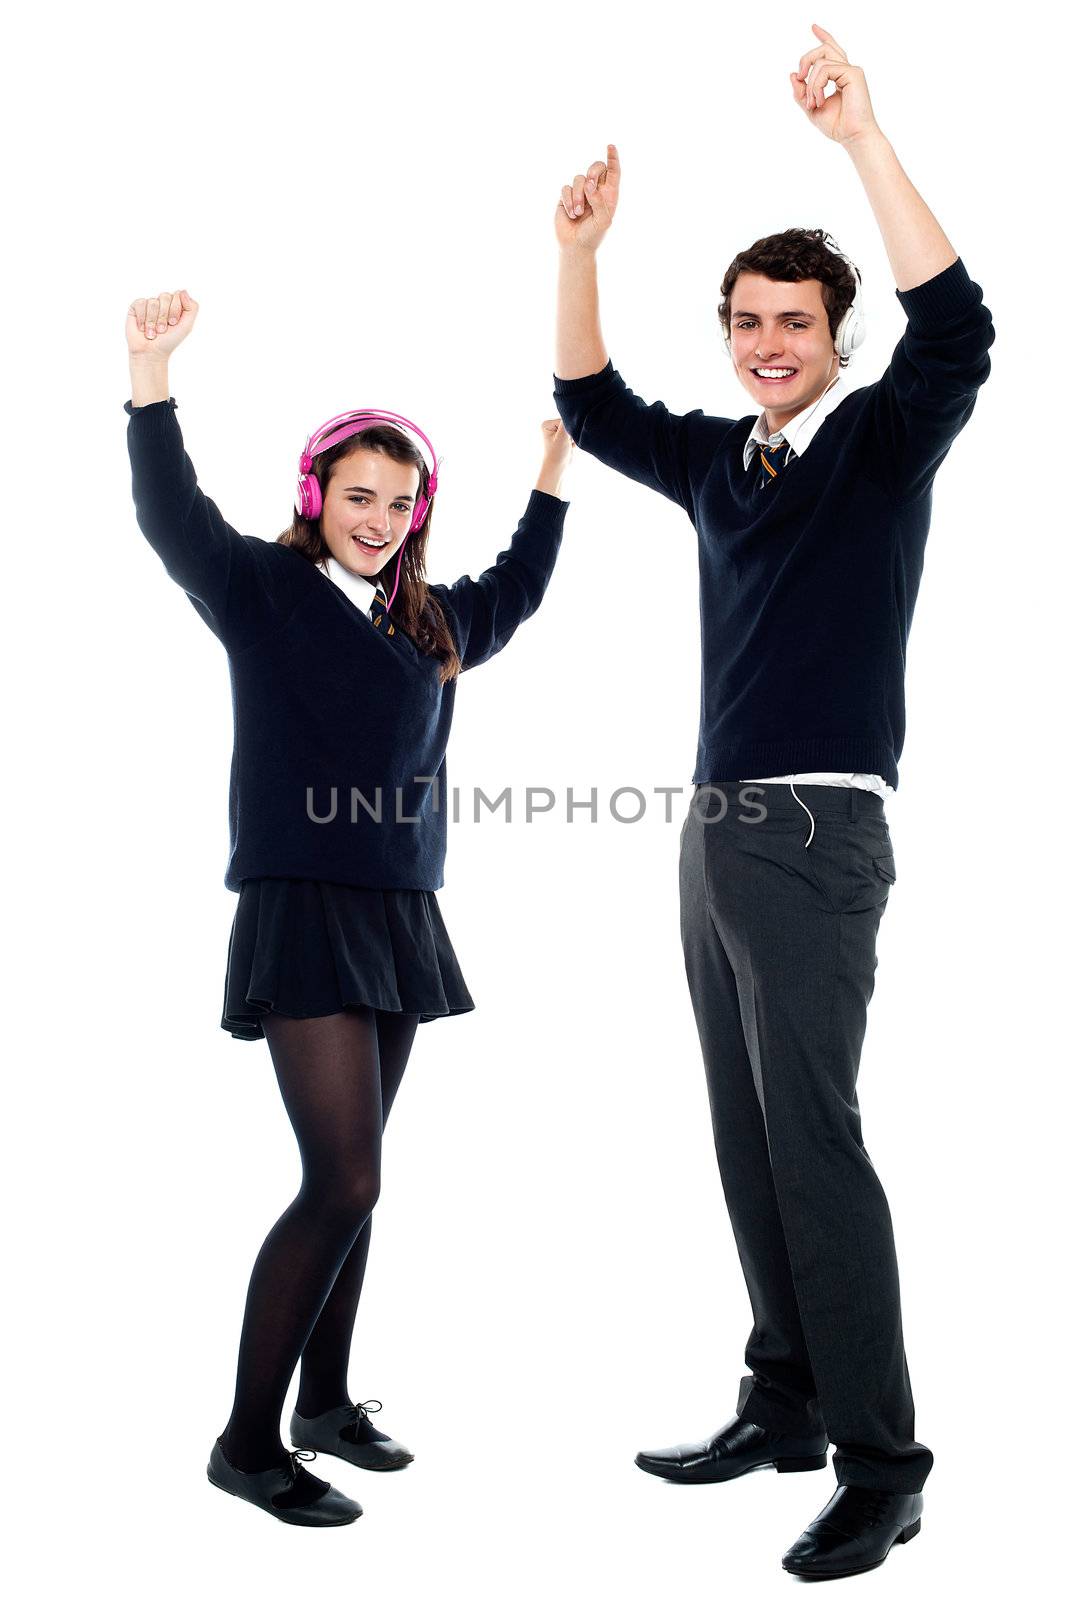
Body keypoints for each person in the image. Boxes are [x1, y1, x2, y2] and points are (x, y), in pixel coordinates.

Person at [550, 24, 993, 1582]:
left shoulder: (878, 442)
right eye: (744, 322)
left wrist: (861, 141)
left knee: (813, 1137)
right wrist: (579, 251)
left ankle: (885, 1463)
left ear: (834, 332)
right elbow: (594, 411)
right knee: (744, 1136)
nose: (763, 343)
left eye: (791, 323)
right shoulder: (724, 464)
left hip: (815, 832)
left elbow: (962, 332)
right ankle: (787, 1399)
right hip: (712, 829)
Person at [124, 288, 573, 1527]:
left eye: (399, 501)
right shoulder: (264, 590)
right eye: (357, 495)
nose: (378, 519)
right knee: (344, 1180)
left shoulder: (430, 622)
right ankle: (246, 1442)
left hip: (398, 914)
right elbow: (172, 518)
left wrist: (552, 474)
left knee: (361, 1174)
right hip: (303, 903)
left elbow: (521, 586)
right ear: (319, 493)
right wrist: (150, 381)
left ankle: (326, 1402)